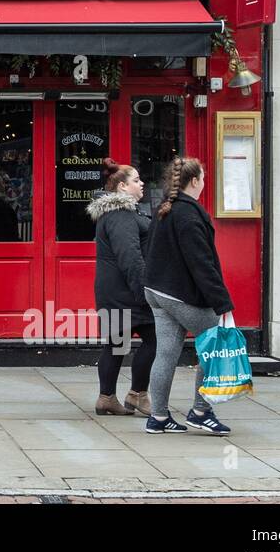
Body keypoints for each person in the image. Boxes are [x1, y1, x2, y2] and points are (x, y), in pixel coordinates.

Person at [142, 157, 236, 435]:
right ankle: (200, 411)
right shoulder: (189, 215)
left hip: (157, 292)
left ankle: (158, 417)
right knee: (215, 347)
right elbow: (202, 265)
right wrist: (222, 303)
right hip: (181, 294)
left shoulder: (166, 208)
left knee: (166, 354)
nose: (205, 183)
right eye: (204, 178)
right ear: (194, 181)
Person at [87, 159, 155, 416]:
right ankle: (137, 394)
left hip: (116, 290)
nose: (142, 183)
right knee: (154, 340)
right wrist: (143, 292)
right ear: (123, 187)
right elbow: (129, 256)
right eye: (136, 180)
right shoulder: (121, 215)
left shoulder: (121, 213)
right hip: (126, 292)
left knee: (116, 343)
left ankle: (107, 398)